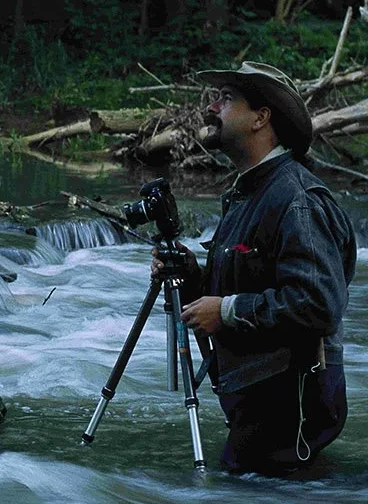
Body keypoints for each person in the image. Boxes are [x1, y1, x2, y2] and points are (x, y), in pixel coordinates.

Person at [153, 62, 356, 475]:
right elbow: (244, 284)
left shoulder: (297, 199)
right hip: (262, 402)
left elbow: (317, 304)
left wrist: (225, 310)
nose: (213, 108)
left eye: (226, 99)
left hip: (288, 406)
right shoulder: (248, 191)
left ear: (261, 118)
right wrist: (191, 277)